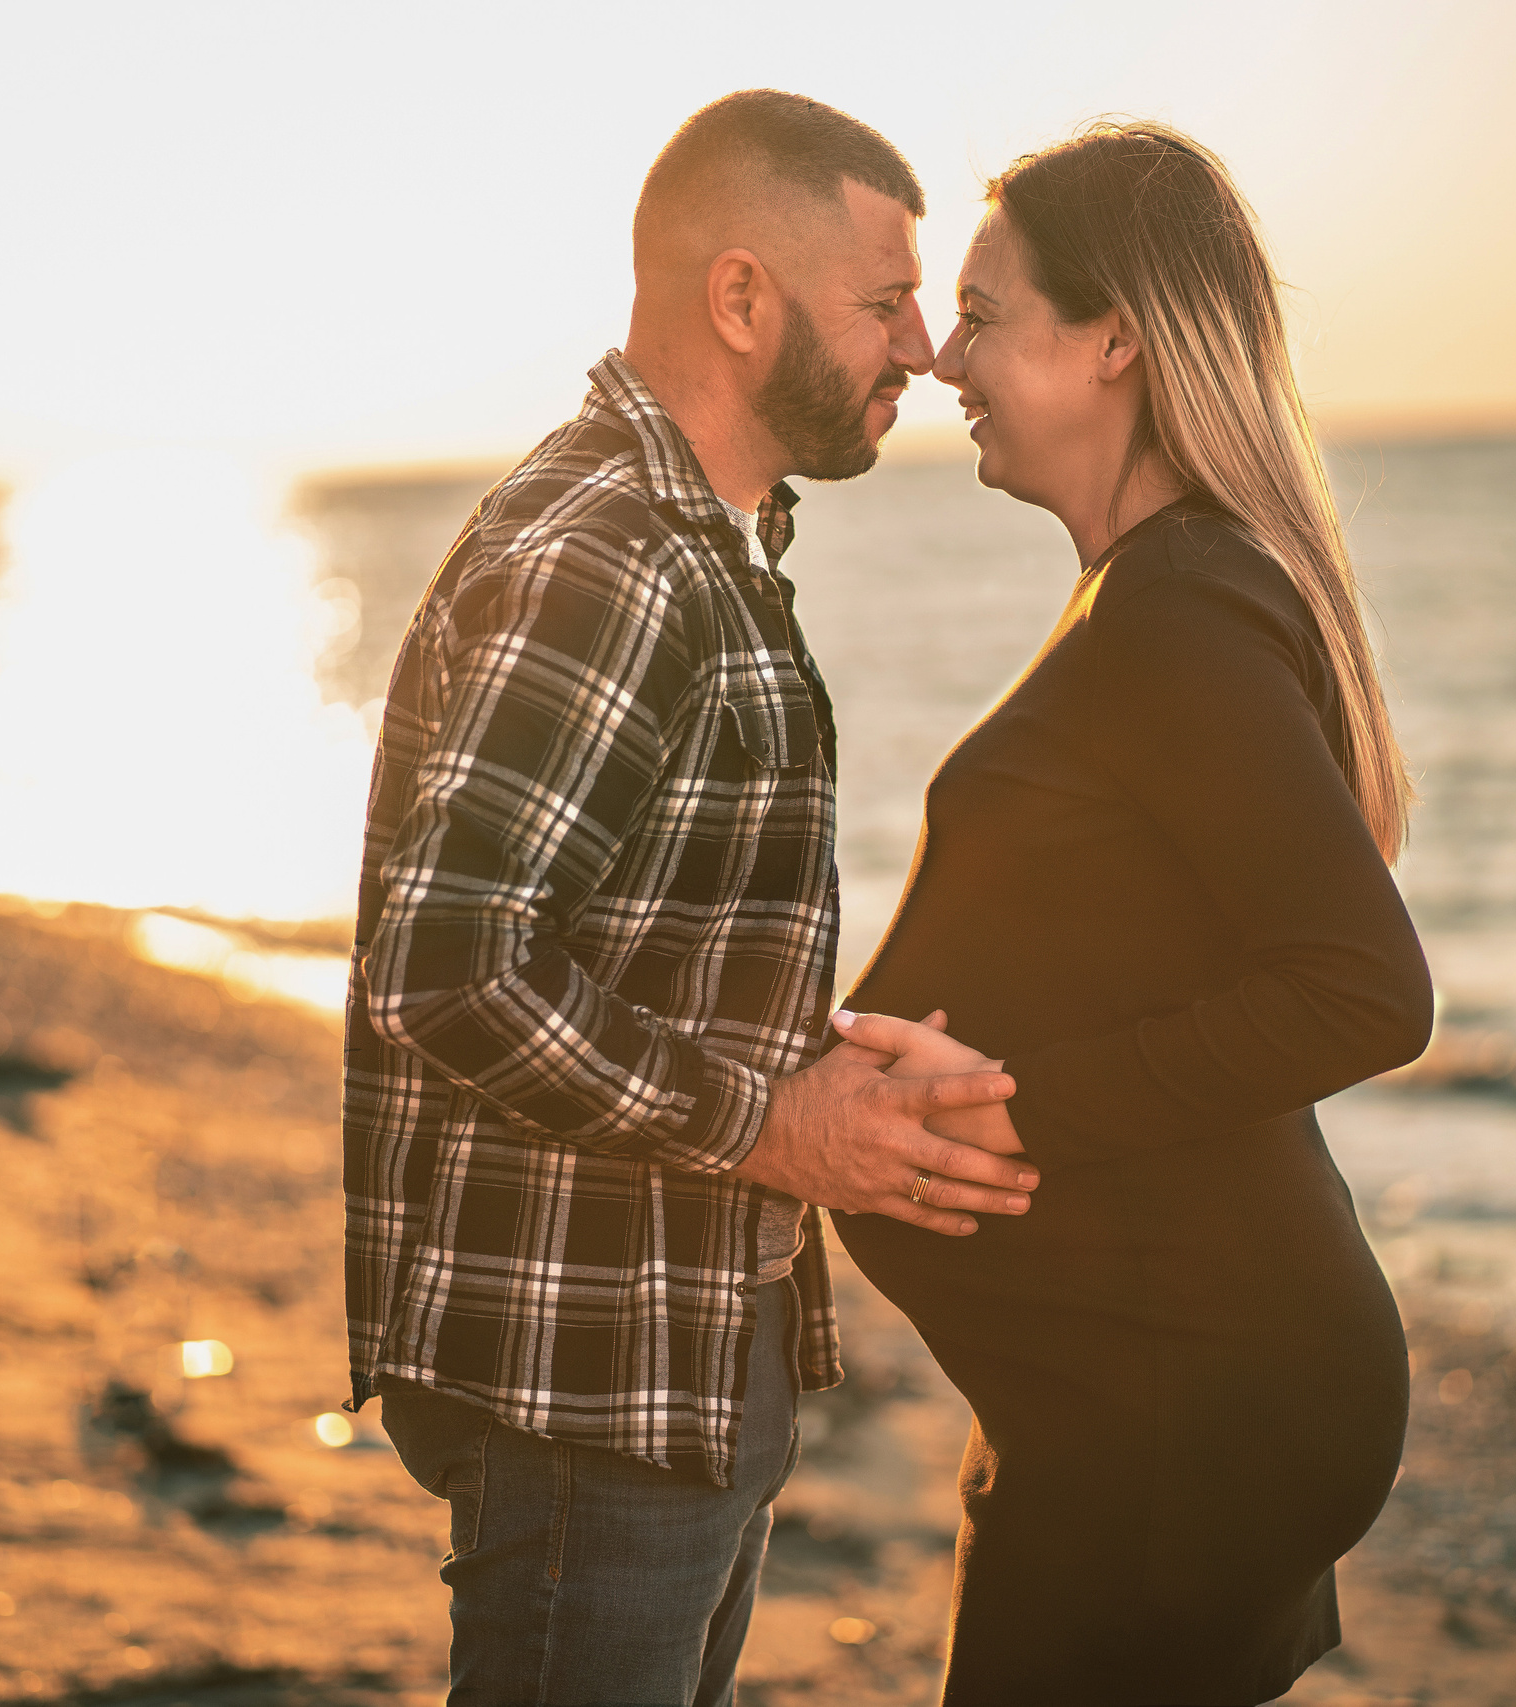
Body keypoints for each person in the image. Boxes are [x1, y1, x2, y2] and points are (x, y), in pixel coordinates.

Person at [341, 90, 1039, 1707]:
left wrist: (836, 1077)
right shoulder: (615, 556)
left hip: (659, 1354)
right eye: (884, 301)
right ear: (741, 298)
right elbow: (449, 962)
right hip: (589, 1377)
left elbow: (653, 939)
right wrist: (771, 1126)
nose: (924, 349)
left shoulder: (701, 541)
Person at [827, 120, 1435, 1705]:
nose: (945, 356)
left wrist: (1014, 1116)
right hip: (1131, 1379)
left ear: (1116, 343)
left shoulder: (1177, 609)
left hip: (1186, 1400)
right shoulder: (1154, 595)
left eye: (984, 311)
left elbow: (1364, 990)